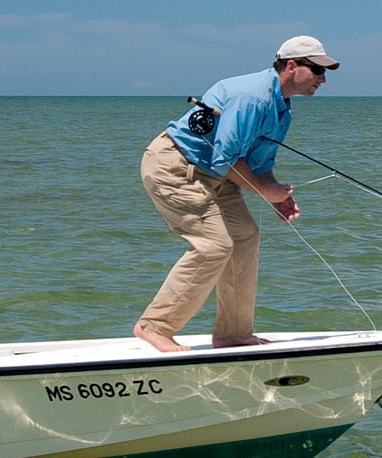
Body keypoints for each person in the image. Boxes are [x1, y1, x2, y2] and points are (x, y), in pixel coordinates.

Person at [134, 36, 340, 352]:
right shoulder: (253, 98)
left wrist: (276, 195)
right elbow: (226, 157)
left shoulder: (281, 107)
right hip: (176, 167)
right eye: (316, 70)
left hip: (216, 175)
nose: (323, 79)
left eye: (325, 72)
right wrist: (266, 191)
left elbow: (258, 163)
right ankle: (154, 326)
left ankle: (232, 334)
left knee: (245, 237)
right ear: (290, 66)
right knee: (214, 246)